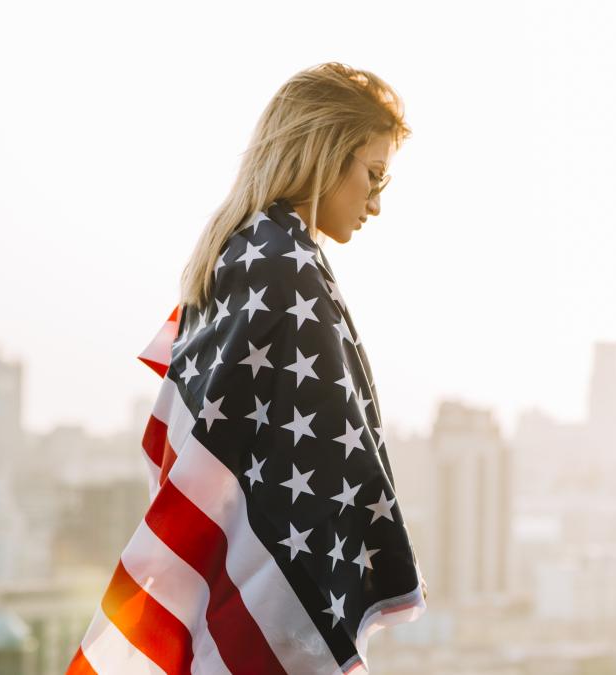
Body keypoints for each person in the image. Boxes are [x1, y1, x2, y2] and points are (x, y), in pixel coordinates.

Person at [68, 63, 426, 675]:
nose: (376, 203)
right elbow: (292, 472)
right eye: (373, 176)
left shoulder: (247, 251)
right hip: (265, 597)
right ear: (323, 154)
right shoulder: (282, 267)